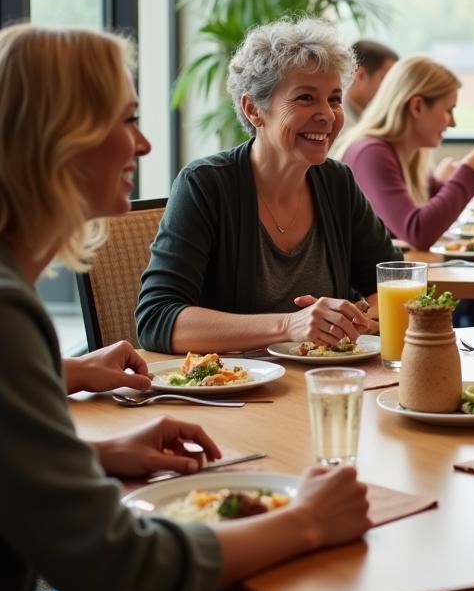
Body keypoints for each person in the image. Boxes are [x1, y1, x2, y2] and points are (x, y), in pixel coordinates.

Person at [0, 24, 370, 591]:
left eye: (334, 99)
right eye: (124, 120)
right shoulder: (10, 314)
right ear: (54, 141)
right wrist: (305, 520)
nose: (143, 145)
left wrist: (95, 455)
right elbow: (123, 571)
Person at [136, 18, 402, 354]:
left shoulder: (338, 182)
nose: (327, 114)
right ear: (253, 110)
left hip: (325, 381)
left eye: (334, 99)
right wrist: (290, 324)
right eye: (306, 98)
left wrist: (352, 319)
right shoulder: (206, 184)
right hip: (233, 396)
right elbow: (156, 319)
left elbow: (393, 281)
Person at [338, 55, 474, 250]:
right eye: (449, 110)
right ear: (417, 106)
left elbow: (434, 205)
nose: (453, 122)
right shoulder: (370, 153)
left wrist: (454, 178)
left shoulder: (407, 154)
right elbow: (418, 232)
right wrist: (471, 169)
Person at [343, 39, 398, 126]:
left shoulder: (381, 121)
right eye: (387, 80)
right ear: (360, 75)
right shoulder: (335, 121)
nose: (392, 89)